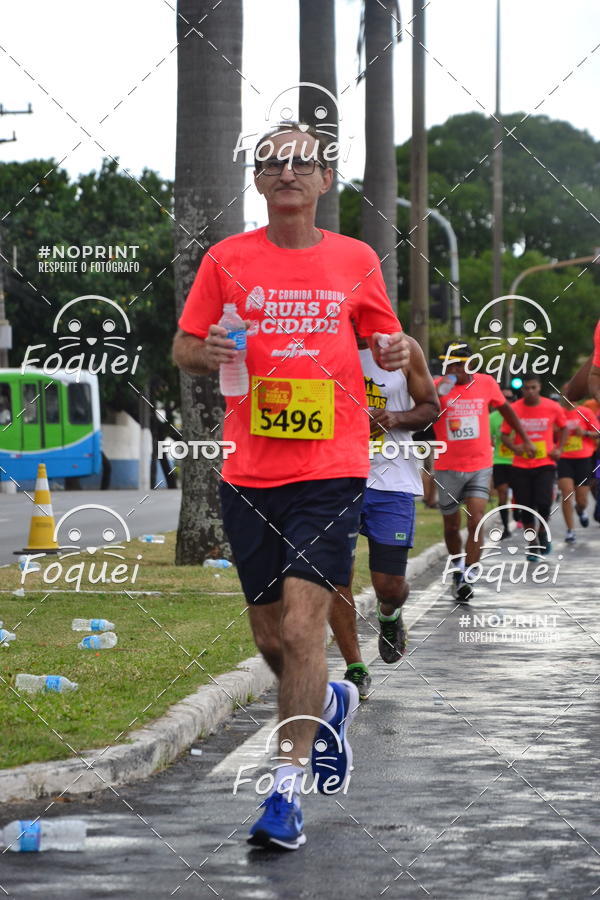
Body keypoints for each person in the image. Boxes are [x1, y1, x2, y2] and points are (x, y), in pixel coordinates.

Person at [172, 123, 409, 851]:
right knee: (273, 638)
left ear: (324, 180)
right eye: (272, 162)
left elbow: (388, 341)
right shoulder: (227, 259)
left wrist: (398, 347)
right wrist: (207, 350)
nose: (287, 172)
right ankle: (328, 699)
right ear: (258, 179)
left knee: (307, 628)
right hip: (249, 471)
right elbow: (183, 346)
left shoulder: (356, 259)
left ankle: (285, 791)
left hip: (331, 466)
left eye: (303, 162)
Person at [329, 334, 439, 699]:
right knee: (335, 576)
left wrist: (396, 417)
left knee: (390, 586)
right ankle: (355, 666)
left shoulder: (403, 347)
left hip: (392, 480)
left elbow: (430, 407)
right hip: (334, 478)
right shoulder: (324, 342)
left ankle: (389, 614)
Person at [432, 341, 536, 603]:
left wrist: (525, 438)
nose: (455, 369)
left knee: (476, 520)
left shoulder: (486, 383)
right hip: (446, 466)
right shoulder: (436, 387)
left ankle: (468, 575)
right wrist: (439, 392)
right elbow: (423, 413)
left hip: (479, 464)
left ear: (471, 364)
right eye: (450, 364)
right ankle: (457, 567)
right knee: (451, 526)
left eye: (460, 364)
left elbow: (507, 411)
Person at [500, 374, 567, 559]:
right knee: (526, 506)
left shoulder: (552, 407)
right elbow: (504, 435)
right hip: (520, 465)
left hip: (545, 463)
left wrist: (559, 448)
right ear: (522, 389)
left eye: (533, 388)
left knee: (544, 503)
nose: (530, 392)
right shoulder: (514, 409)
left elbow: (564, 427)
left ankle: (542, 532)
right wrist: (515, 448)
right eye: (526, 388)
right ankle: (532, 543)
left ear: (539, 387)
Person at [557, 393, 599, 542]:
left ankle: (580, 510)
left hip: (583, 459)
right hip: (564, 458)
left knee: (582, 500)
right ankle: (570, 531)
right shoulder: (557, 412)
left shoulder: (585, 412)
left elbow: (597, 433)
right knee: (567, 493)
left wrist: (585, 432)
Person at [489, 388, 516, 539]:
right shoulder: (492, 418)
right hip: (500, 460)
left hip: (518, 461)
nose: (507, 401)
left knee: (520, 494)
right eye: (504, 398)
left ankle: (518, 512)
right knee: (502, 493)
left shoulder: (519, 414)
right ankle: (506, 528)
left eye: (510, 398)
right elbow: (489, 438)